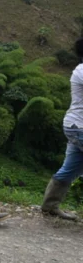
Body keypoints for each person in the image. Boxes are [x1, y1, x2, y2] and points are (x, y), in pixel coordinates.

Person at [41, 37, 83, 221]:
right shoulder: (82, 70)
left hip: (76, 126)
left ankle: (50, 206)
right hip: (79, 127)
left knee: (70, 168)